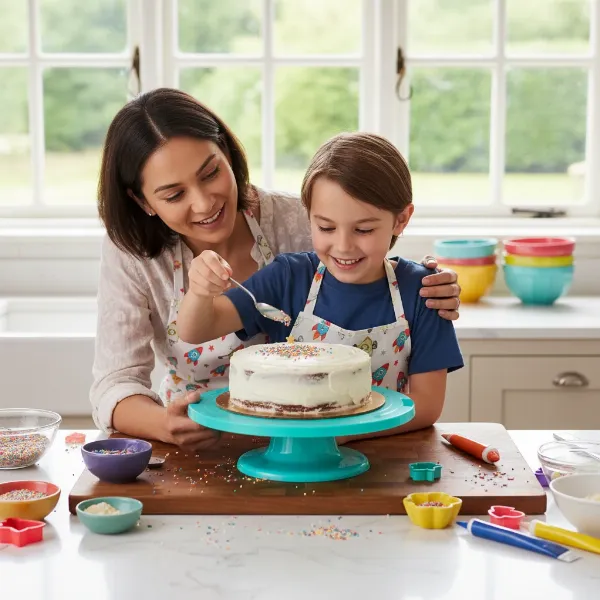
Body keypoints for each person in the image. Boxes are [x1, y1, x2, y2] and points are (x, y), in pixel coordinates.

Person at [92, 88, 462, 452]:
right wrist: (165, 424)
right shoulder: (131, 254)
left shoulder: (296, 220)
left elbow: (368, 248)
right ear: (143, 201)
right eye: (174, 195)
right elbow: (118, 381)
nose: (204, 203)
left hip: (312, 447)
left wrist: (427, 281)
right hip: (196, 446)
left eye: (210, 174)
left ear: (227, 153)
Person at [177, 131, 463, 439]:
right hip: (290, 457)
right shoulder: (288, 278)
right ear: (308, 216)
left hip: (385, 458)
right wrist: (200, 291)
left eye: (363, 229)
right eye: (326, 227)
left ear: (400, 220)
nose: (343, 246)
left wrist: (338, 435)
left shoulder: (424, 292)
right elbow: (196, 330)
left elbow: (427, 405)